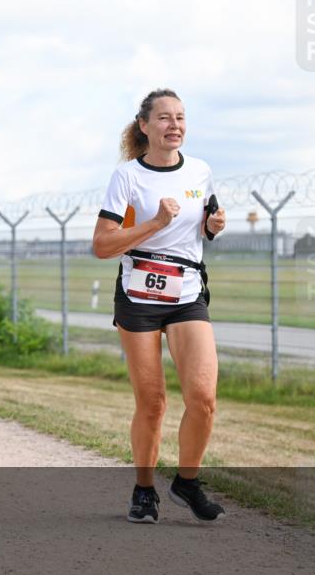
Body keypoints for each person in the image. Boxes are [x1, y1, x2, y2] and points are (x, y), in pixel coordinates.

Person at [92, 88, 227, 524]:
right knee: (152, 403)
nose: (175, 125)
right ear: (145, 126)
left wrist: (213, 226)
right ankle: (144, 489)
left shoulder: (202, 171)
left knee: (204, 398)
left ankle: (187, 483)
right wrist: (155, 223)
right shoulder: (128, 177)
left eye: (181, 117)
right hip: (139, 297)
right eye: (165, 118)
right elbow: (102, 245)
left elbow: (202, 227)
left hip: (187, 295)